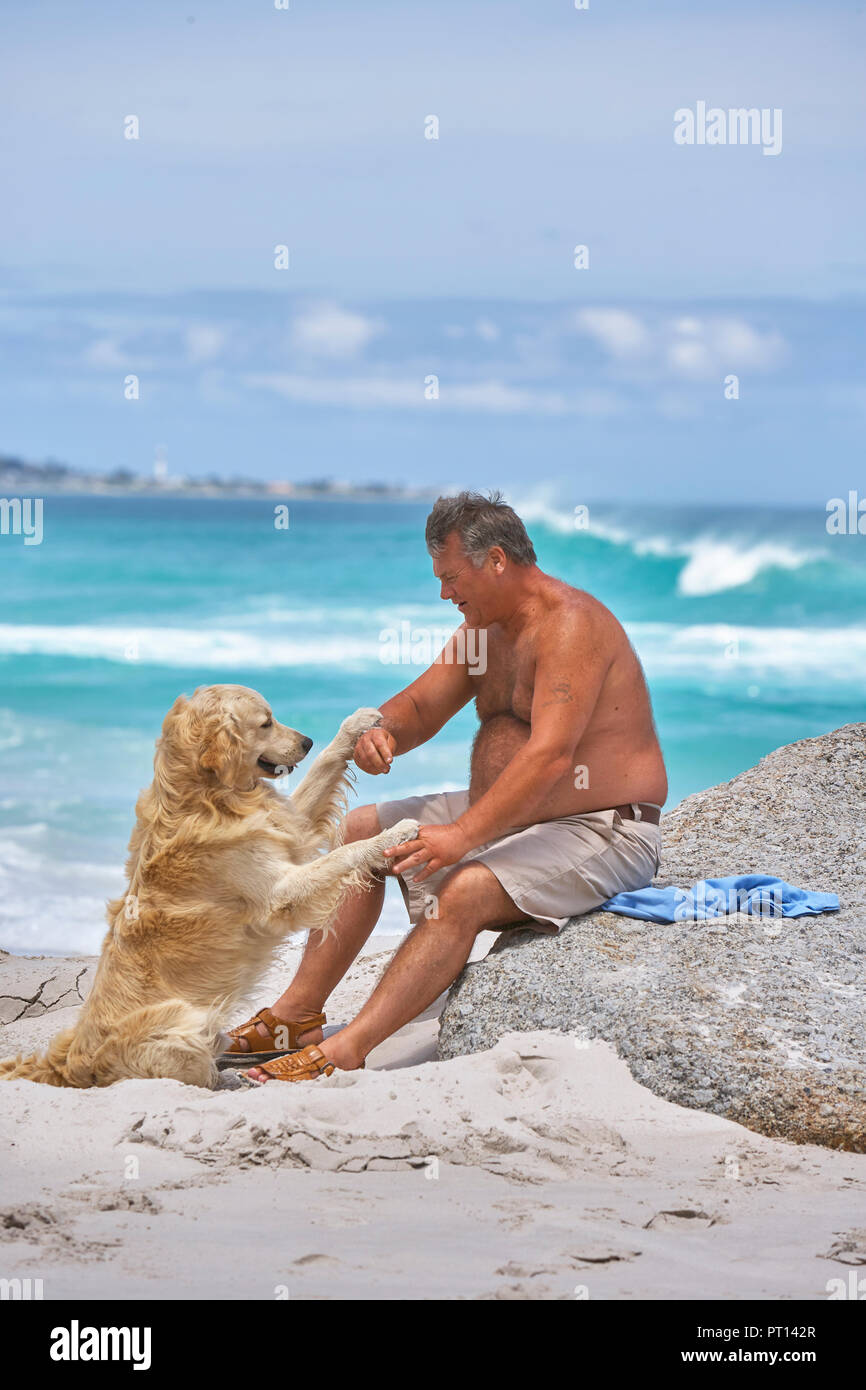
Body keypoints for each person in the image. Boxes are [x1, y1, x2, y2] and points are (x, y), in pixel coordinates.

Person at [228, 490, 667, 1082]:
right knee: (361, 833)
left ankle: (345, 1050)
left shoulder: (570, 627)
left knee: (461, 890)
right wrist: (380, 731)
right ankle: (295, 1015)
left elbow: (549, 757)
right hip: (514, 816)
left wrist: (462, 836)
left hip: (604, 826)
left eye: (451, 576)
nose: (444, 593)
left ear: (496, 562)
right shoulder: (483, 632)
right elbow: (419, 705)